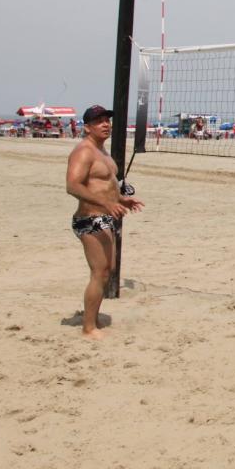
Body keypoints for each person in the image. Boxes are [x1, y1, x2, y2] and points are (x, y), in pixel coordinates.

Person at [64, 105, 143, 340]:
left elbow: (105, 186)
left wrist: (120, 200)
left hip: (104, 216)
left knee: (107, 272)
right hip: (89, 218)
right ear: (87, 127)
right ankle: (88, 327)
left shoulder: (103, 153)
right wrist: (106, 204)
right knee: (99, 272)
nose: (106, 124)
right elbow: (73, 186)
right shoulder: (84, 151)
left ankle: (93, 318)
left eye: (107, 120)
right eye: (99, 121)